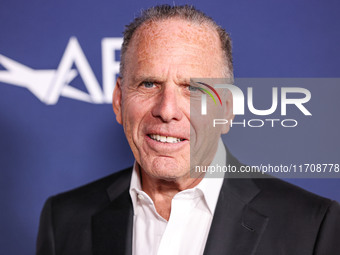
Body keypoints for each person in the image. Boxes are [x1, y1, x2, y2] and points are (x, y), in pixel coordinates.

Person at [37, 5, 340, 255]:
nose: (167, 110)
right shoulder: (63, 219)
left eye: (193, 89)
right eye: (148, 83)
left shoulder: (313, 226)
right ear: (119, 99)